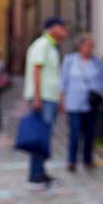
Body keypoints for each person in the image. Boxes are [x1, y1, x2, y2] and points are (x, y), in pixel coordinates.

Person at [22, 16, 69, 186]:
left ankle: (40, 171)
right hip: (43, 98)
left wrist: (60, 99)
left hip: (50, 97)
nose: (66, 32)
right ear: (53, 28)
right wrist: (36, 97)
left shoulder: (51, 47)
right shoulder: (42, 45)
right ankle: (35, 173)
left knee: (44, 136)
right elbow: (36, 71)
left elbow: (55, 76)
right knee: (39, 135)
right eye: (63, 28)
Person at [60, 33, 103, 171]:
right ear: (80, 46)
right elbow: (63, 82)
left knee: (89, 133)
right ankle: (71, 160)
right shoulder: (70, 61)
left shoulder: (97, 62)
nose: (90, 49)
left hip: (91, 103)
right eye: (88, 45)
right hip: (74, 103)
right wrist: (61, 100)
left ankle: (88, 159)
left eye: (92, 46)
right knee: (75, 132)